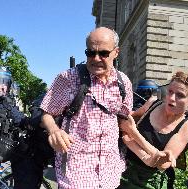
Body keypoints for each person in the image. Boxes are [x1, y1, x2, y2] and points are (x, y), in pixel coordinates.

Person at [39, 27, 167, 189]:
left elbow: (124, 121)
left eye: (104, 53)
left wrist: (151, 151)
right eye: (91, 53)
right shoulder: (68, 78)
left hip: (110, 173)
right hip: (75, 172)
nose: (96, 58)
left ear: (116, 52)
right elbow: (46, 112)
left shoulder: (123, 82)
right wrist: (54, 131)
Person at [118, 71, 188, 189]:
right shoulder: (152, 104)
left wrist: (134, 133)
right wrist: (149, 158)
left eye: (180, 95)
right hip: (123, 171)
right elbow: (125, 127)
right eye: (170, 91)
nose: (171, 98)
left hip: (150, 182)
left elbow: (164, 164)